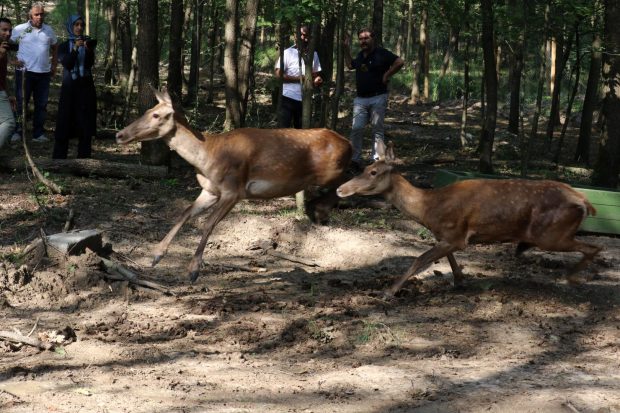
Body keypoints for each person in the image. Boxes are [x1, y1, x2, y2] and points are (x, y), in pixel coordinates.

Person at [344, 28, 404, 172]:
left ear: (373, 39)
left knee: (377, 129)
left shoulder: (381, 53)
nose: (363, 41)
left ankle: (377, 160)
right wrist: (346, 49)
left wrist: (387, 75)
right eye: (361, 39)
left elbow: (400, 62)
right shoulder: (360, 55)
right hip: (361, 99)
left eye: (366, 38)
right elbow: (349, 65)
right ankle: (355, 160)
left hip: (378, 96)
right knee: (356, 129)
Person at [10, 2, 58, 144]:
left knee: (41, 105)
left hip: (43, 74)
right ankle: (17, 130)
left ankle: (38, 133)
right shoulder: (20, 29)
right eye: (36, 14)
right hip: (24, 73)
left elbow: (55, 47)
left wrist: (54, 66)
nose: (39, 17)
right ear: (30, 15)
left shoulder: (48, 30)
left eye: (42, 14)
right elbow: (7, 45)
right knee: (20, 103)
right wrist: (13, 61)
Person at [53, 14, 97, 159]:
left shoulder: (87, 42)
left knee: (85, 121)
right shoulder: (64, 46)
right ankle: (59, 158)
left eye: (81, 25)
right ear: (70, 26)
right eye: (76, 24)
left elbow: (90, 64)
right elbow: (67, 63)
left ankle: (84, 158)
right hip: (69, 88)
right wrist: (75, 49)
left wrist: (88, 49)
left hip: (85, 87)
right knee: (65, 120)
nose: (79, 27)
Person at [274, 25, 323, 128]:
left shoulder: (314, 54)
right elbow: (278, 75)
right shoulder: (288, 53)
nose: (302, 37)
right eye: (300, 34)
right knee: (283, 131)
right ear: (295, 36)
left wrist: (317, 80)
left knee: (301, 132)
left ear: (309, 37)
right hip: (287, 97)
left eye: (305, 35)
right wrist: (301, 78)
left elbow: (315, 76)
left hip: (305, 100)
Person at [0, 17, 16, 149]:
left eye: (10, 30)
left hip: (1, 90)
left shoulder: (4, 47)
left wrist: (8, 93)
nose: (8, 33)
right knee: (9, 122)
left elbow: (3, 75)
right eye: (4, 30)